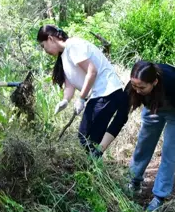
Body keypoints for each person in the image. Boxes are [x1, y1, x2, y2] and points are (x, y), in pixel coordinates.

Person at [37, 25, 128, 156]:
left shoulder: (74, 45)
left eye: (43, 46)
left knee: (87, 137)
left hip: (107, 92)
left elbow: (92, 72)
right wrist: (65, 101)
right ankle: (94, 163)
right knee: (87, 137)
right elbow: (70, 84)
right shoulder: (64, 55)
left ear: (50, 39)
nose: (44, 50)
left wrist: (81, 98)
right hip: (99, 95)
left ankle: (93, 164)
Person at [125, 61, 175, 212]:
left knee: (169, 150)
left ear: (154, 82)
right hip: (154, 107)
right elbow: (122, 111)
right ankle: (134, 181)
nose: (137, 91)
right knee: (143, 144)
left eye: (142, 88)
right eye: (134, 86)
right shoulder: (136, 84)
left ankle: (160, 196)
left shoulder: (174, 84)